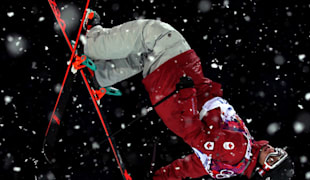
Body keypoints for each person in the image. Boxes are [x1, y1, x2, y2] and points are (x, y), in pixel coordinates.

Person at [82, 9, 295, 180]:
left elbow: (195, 135)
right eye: (279, 151)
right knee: (148, 54)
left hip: (178, 91)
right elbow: (191, 167)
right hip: (172, 96)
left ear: (263, 170)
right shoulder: (232, 165)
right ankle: (100, 75)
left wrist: (186, 94)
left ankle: (91, 41)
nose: (271, 149)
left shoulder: (238, 150)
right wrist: (161, 177)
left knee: (156, 34)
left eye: (274, 157)